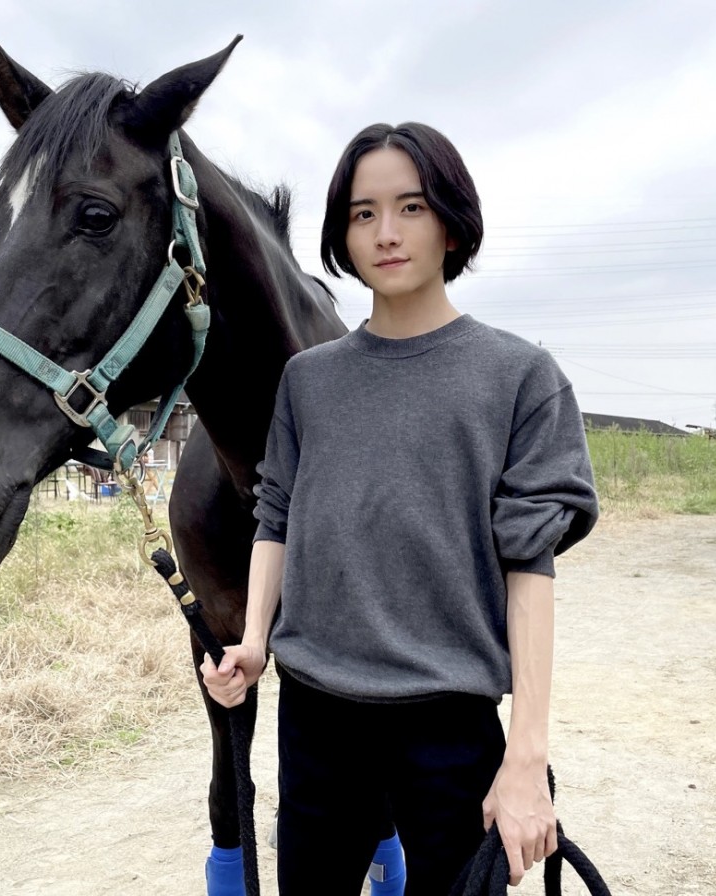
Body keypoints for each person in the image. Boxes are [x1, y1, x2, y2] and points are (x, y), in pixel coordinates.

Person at [201, 122, 599, 895]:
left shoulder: (520, 377)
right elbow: (275, 516)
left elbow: (531, 567)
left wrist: (525, 758)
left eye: (411, 208)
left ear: (451, 222)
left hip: (450, 723)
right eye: (362, 213)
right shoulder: (308, 382)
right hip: (316, 718)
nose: (385, 233)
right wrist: (254, 641)